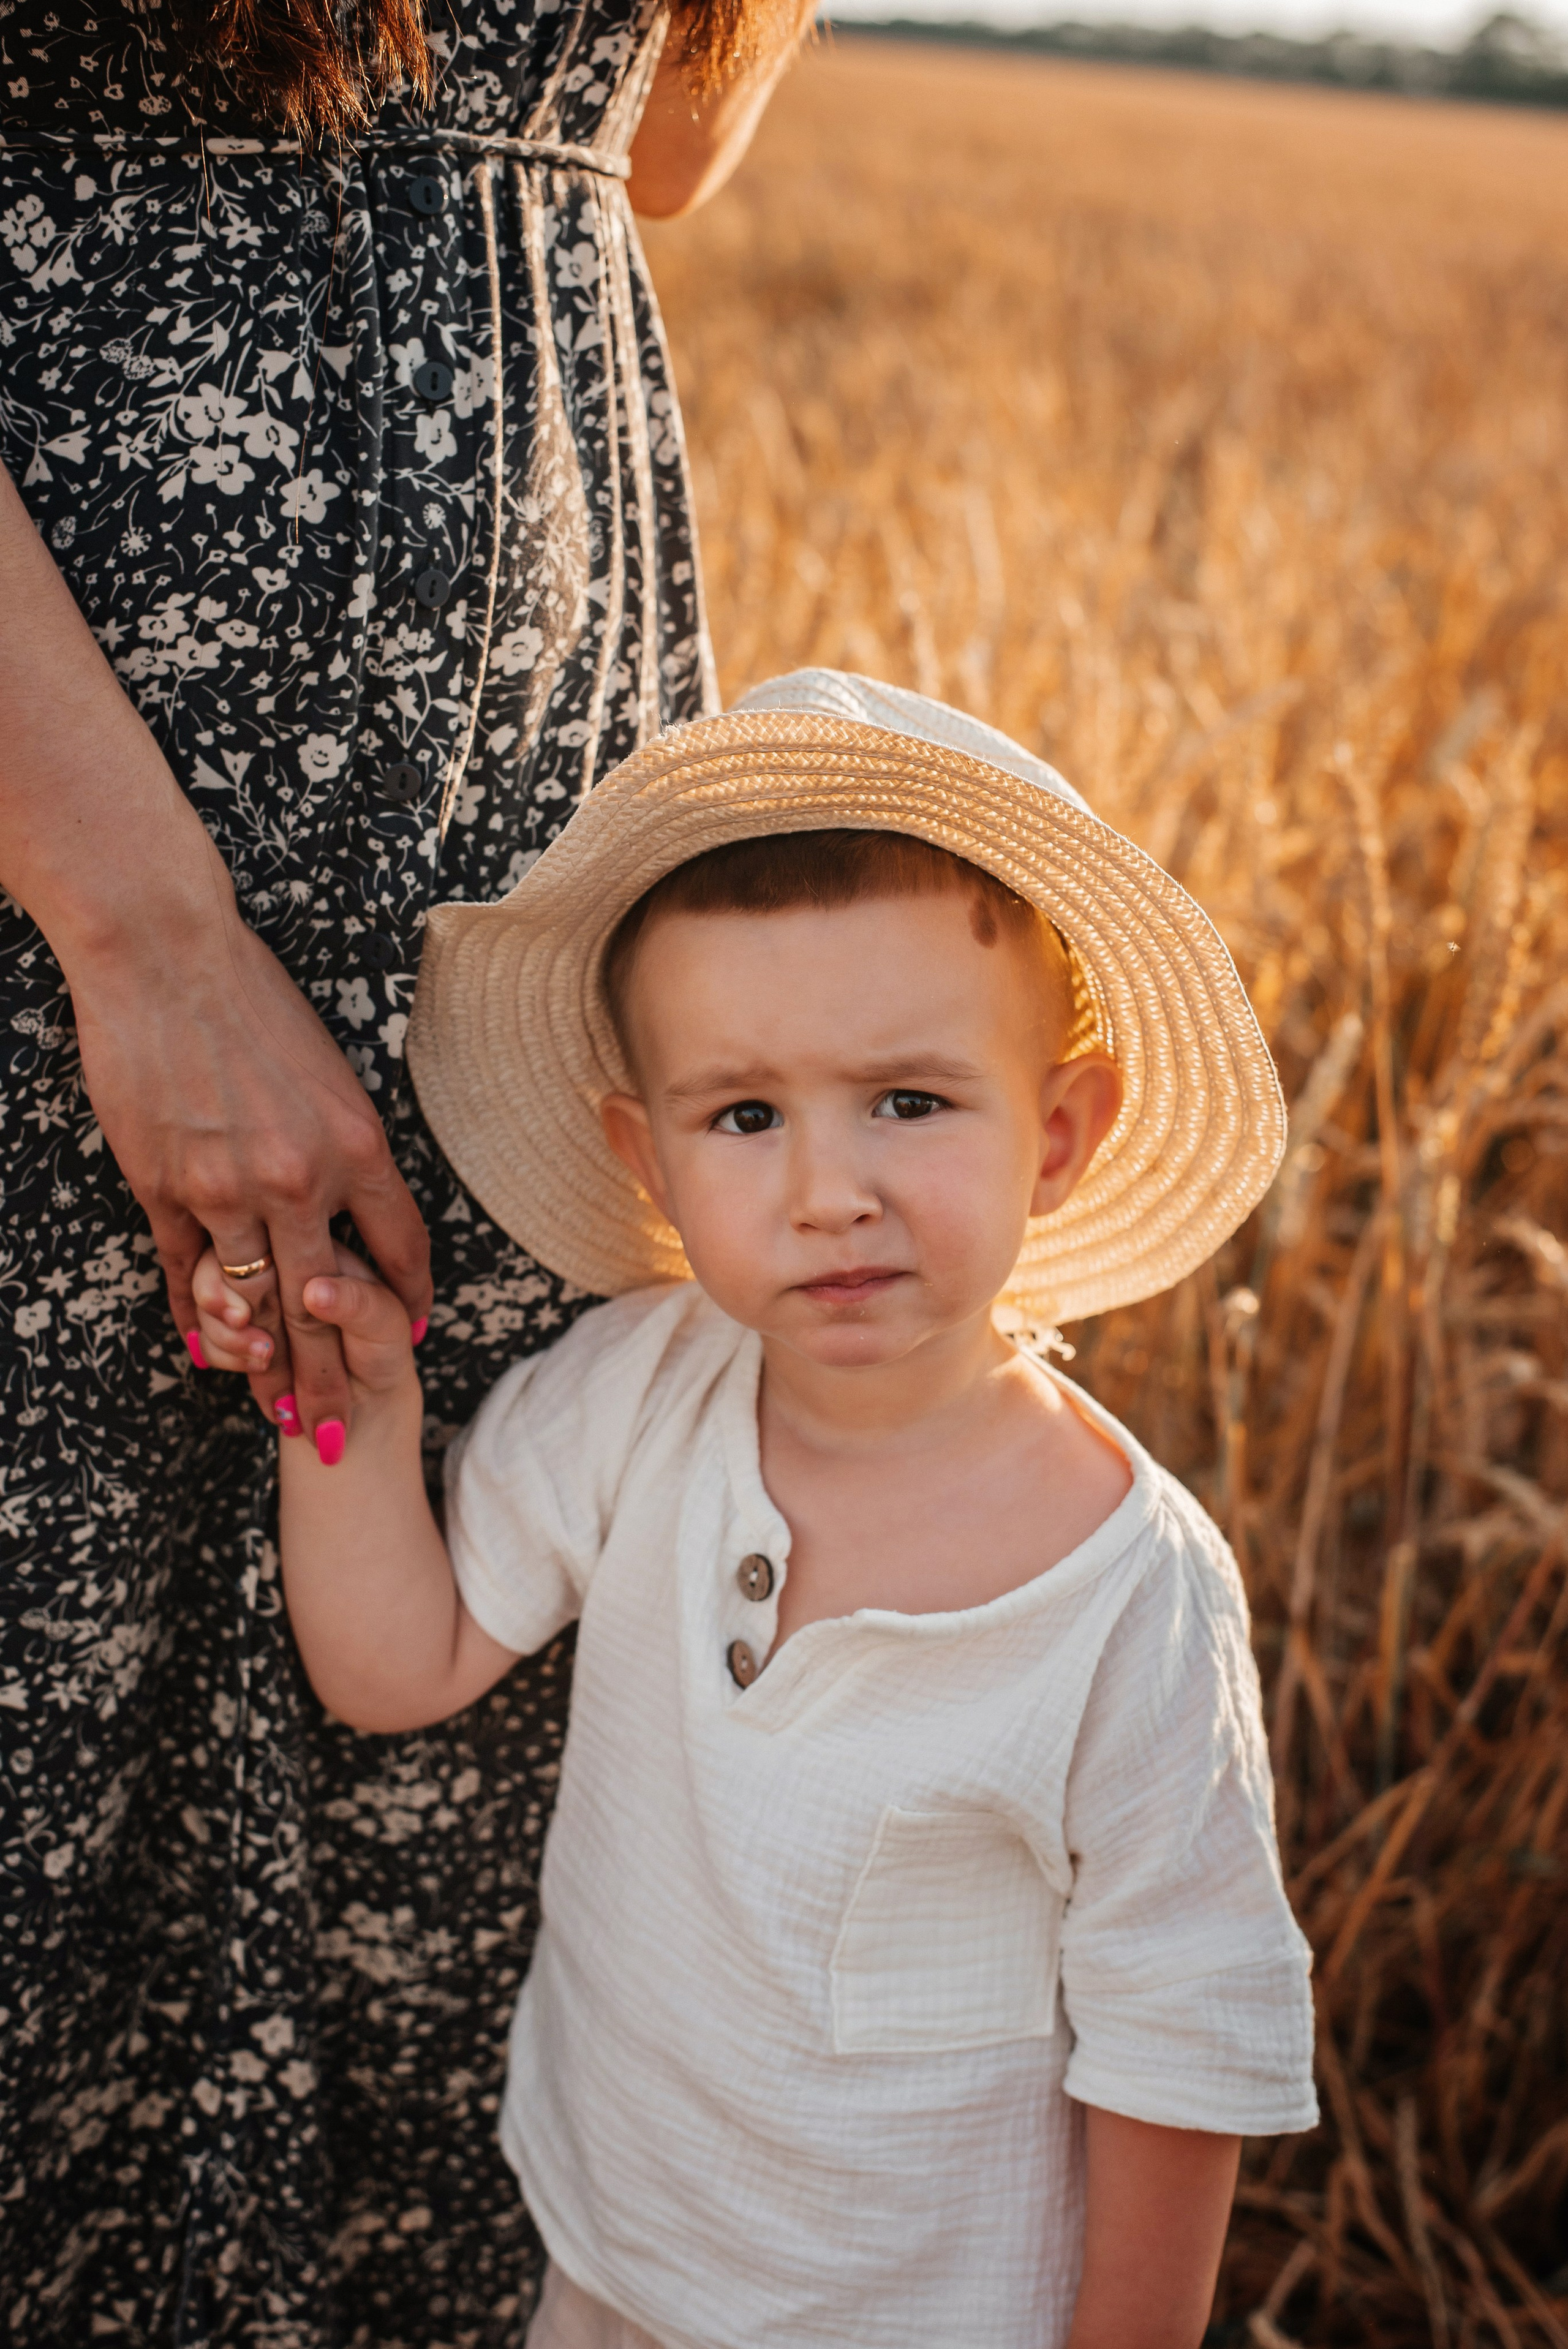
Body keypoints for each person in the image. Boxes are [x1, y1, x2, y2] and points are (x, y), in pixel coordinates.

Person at [189, 671, 1319, 2348]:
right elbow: (395, 1662)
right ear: (647, 1159)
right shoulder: (644, 1391)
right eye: (744, 1115)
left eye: (910, 1101)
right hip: (615, 2265)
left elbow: (1179, 2041)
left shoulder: (1125, 1593)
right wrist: (351, 1411)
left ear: (1059, 1132)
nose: (827, 1190)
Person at [0, 0, 807, 2334]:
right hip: (60, 863)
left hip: (529, 909)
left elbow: (658, 146)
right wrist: (141, 931)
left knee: (456, 1806)